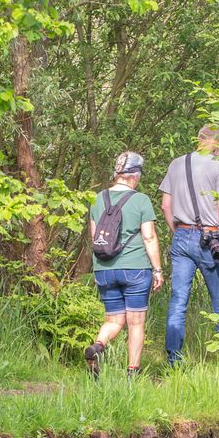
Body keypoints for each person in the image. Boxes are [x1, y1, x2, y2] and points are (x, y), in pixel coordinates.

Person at [160, 126, 219, 366]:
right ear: (218, 143)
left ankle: (174, 359)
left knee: (178, 301)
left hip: (182, 236)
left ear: (199, 140)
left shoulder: (177, 164)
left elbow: (166, 205)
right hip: (211, 239)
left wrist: (178, 231)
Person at [84, 151, 164, 378]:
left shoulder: (98, 199)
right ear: (134, 175)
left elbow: (95, 237)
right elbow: (149, 237)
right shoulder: (141, 200)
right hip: (135, 269)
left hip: (104, 269)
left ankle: (98, 346)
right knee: (136, 323)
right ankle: (132, 374)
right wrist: (157, 269)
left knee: (114, 320)